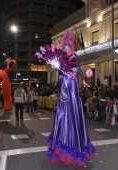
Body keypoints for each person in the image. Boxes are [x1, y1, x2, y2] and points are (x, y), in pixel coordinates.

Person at [46, 30, 95, 167]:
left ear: (71, 47)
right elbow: (57, 69)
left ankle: (77, 146)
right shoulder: (61, 58)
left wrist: (84, 80)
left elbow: (78, 69)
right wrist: (54, 66)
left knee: (74, 113)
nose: (67, 48)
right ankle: (61, 141)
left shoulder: (74, 56)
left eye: (68, 46)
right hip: (64, 86)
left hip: (72, 85)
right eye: (65, 46)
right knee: (63, 113)